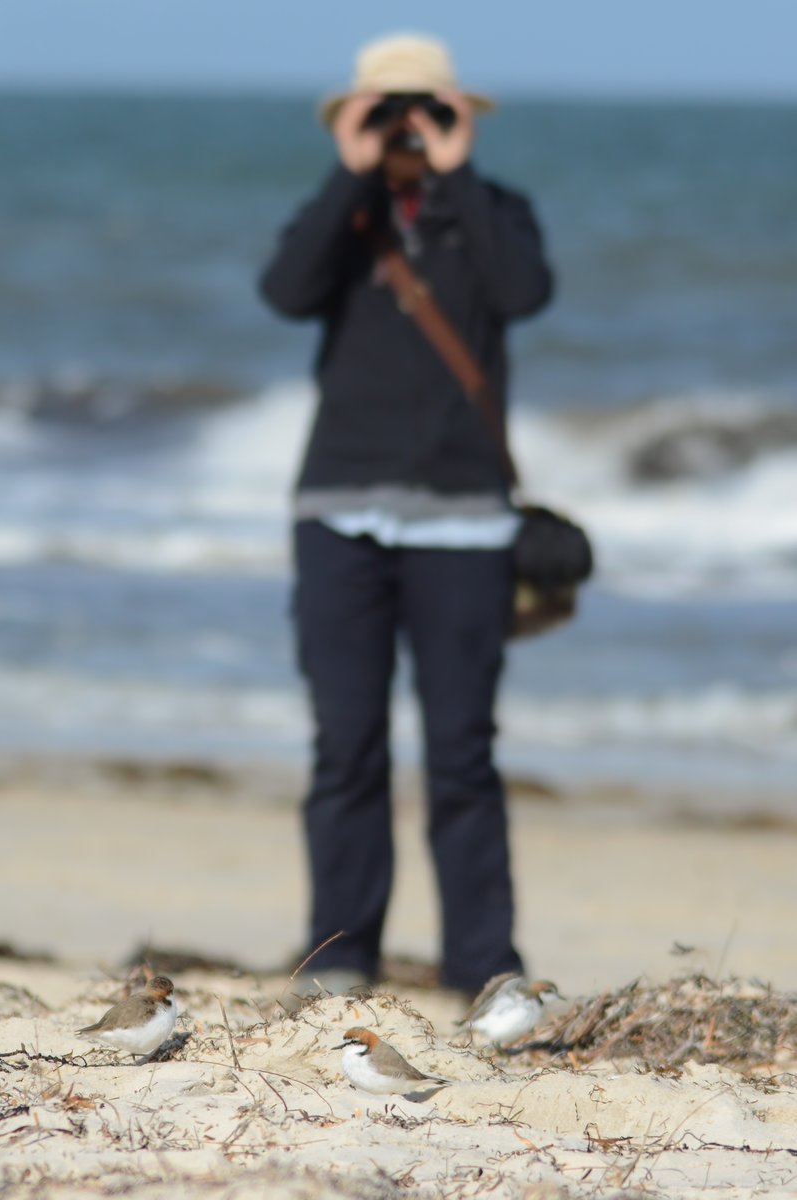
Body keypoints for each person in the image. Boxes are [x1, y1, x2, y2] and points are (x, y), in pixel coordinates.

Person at [260, 33, 553, 999]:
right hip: (339, 512)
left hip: (465, 521)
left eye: (423, 109)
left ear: (458, 114)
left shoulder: (496, 213)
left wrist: (459, 172)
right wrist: (350, 175)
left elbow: (524, 292)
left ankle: (483, 964)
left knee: (463, 752)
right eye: (387, 110)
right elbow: (286, 291)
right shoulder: (340, 219)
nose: (406, 129)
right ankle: (338, 955)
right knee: (345, 745)